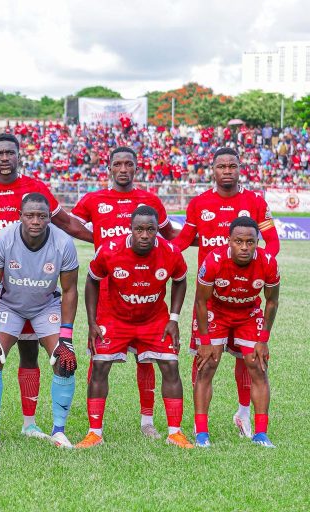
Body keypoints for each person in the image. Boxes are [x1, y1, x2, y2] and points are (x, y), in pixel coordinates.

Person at [0, 132, 92, 439]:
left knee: (31, 354)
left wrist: (102, 240)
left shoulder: (36, 190)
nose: (5, 158)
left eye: (10, 153)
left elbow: (66, 223)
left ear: (18, 155)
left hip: (38, 292)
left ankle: (31, 424)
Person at [71, 146, 178, 439]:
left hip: (145, 292)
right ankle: (94, 429)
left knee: (147, 358)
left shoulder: (150, 200)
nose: (123, 169)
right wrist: (97, 238)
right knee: (100, 358)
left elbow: (170, 236)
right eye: (117, 164)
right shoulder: (94, 199)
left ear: (136, 168)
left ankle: (147, 421)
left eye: (128, 164)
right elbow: (71, 225)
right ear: (108, 168)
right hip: (107, 294)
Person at [173, 147, 279, 438]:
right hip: (212, 297)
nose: (227, 171)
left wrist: (258, 265)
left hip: (245, 295)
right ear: (213, 170)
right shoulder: (199, 203)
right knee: (205, 358)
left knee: (247, 358)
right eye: (222, 166)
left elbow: (272, 242)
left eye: (232, 166)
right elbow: (184, 239)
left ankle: (244, 414)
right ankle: (200, 424)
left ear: (240, 168)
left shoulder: (255, 202)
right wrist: (159, 253)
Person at [76, 206, 192, 448]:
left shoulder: (170, 252)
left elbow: (180, 280)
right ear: (130, 229)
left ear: (158, 229)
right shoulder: (110, 250)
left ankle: (175, 433)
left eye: (151, 229)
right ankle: (94, 433)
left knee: (171, 366)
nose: (145, 235)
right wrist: (92, 321)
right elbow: (92, 280)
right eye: (139, 229)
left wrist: (173, 318)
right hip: (115, 318)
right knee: (99, 366)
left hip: (154, 319)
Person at [0, 193, 79, 449]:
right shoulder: (2, 239)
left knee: (64, 361)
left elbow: (70, 290)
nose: (36, 221)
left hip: (46, 306)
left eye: (42, 216)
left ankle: (59, 431)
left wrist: (66, 338)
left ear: (49, 218)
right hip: (9, 305)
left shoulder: (63, 242)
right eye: (30, 215)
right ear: (20, 216)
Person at [193, 217, 279, 448]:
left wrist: (263, 339)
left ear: (257, 242)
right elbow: (201, 301)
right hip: (217, 312)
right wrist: (204, 341)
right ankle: (201, 432)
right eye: (238, 241)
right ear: (228, 240)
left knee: (258, 366)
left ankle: (261, 433)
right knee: (207, 366)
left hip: (248, 314)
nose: (244, 247)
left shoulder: (268, 262)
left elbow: (272, 301)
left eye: (250, 242)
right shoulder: (214, 260)